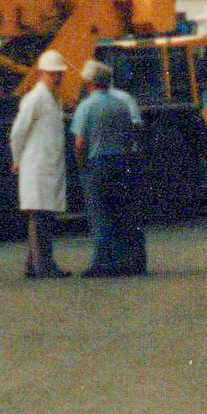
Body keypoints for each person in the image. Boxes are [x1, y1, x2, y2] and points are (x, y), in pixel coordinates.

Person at [70, 57, 144, 277]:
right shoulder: (120, 104)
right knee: (121, 212)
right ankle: (124, 260)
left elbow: (80, 142)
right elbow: (131, 134)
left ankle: (102, 263)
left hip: (97, 165)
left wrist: (81, 164)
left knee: (100, 214)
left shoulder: (86, 107)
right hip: (121, 161)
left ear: (89, 82)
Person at [9, 49, 70, 279]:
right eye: (52, 74)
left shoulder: (51, 98)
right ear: (41, 74)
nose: (57, 78)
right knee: (40, 217)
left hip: (45, 166)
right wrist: (17, 160)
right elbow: (17, 132)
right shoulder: (35, 98)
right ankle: (43, 267)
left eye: (59, 74)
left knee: (43, 217)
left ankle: (35, 265)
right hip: (37, 167)